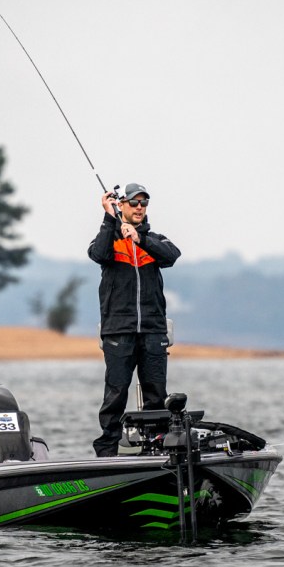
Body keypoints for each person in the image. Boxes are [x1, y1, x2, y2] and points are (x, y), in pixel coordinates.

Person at [88, 183, 181, 457]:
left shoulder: (155, 240)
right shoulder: (108, 238)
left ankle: (156, 448)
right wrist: (109, 218)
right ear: (122, 205)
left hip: (153, 331)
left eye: (144, 202)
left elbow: (172, 256)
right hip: (118, 331)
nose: (140, 207)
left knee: (156, 394)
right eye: (134, 202)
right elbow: (98, 254)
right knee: (115, 394)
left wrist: (140, 239)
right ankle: (106, 453)